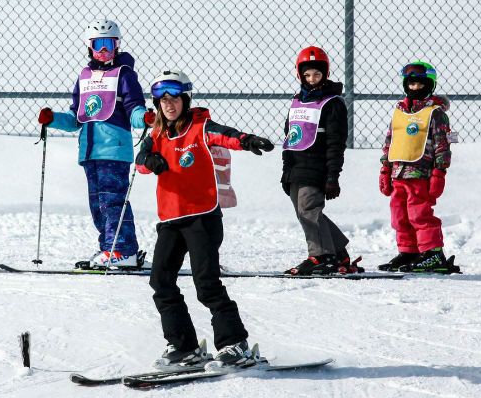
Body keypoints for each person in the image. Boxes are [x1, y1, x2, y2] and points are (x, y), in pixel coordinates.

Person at [135, 70, 275, 369]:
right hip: (170, 220)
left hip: (202, 217)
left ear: (185, 100)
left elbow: (225, 134)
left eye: (174, 99)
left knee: (206, 283)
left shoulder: (199, 127)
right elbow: (140, 163)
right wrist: (148, 160)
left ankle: (234, 344)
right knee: (161, 281)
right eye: (163, 100)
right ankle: (184, 347)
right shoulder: (157, 134)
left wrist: (246, 140)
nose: (169, 105)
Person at [38, 19, 147, 268]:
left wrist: (144, 117)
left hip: (115, 150)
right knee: (98, 205)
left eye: (110, 44)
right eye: (99, 44)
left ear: (117, 45)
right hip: (90, 151)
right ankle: (109, 249)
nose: (104, 50)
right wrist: (53, 119)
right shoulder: (84, 77)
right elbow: (77, 117)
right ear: (89, 46)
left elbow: (134, 109)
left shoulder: (124, 75)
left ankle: (123, 250)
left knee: (113, 201)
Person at [281, 46, 359, 275]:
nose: (312, 79)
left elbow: (336, 143)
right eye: (307, 75)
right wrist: (286, 171)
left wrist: (333, 175)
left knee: (308, 209)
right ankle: (339, 252)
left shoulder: (332, 103)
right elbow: (290, 136)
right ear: (300, 75)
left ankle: (321, 256)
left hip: (317, 167)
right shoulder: (297, 101)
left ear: (325, 74)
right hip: (296, 166)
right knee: (306, 211)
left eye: (317, 74)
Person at [377, 61, 459, 274]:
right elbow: (390, 141)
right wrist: (385, 169)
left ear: (429, 85)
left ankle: (432, 253)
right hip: (398, 173)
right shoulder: (399, 112)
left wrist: (439, 173)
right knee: (399, 215)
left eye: (420, 84)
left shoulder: (435, 113)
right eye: (411, 84)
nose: (415, 88)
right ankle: (409, 251)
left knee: (419, 214)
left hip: (422, 173)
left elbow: (443, 144)